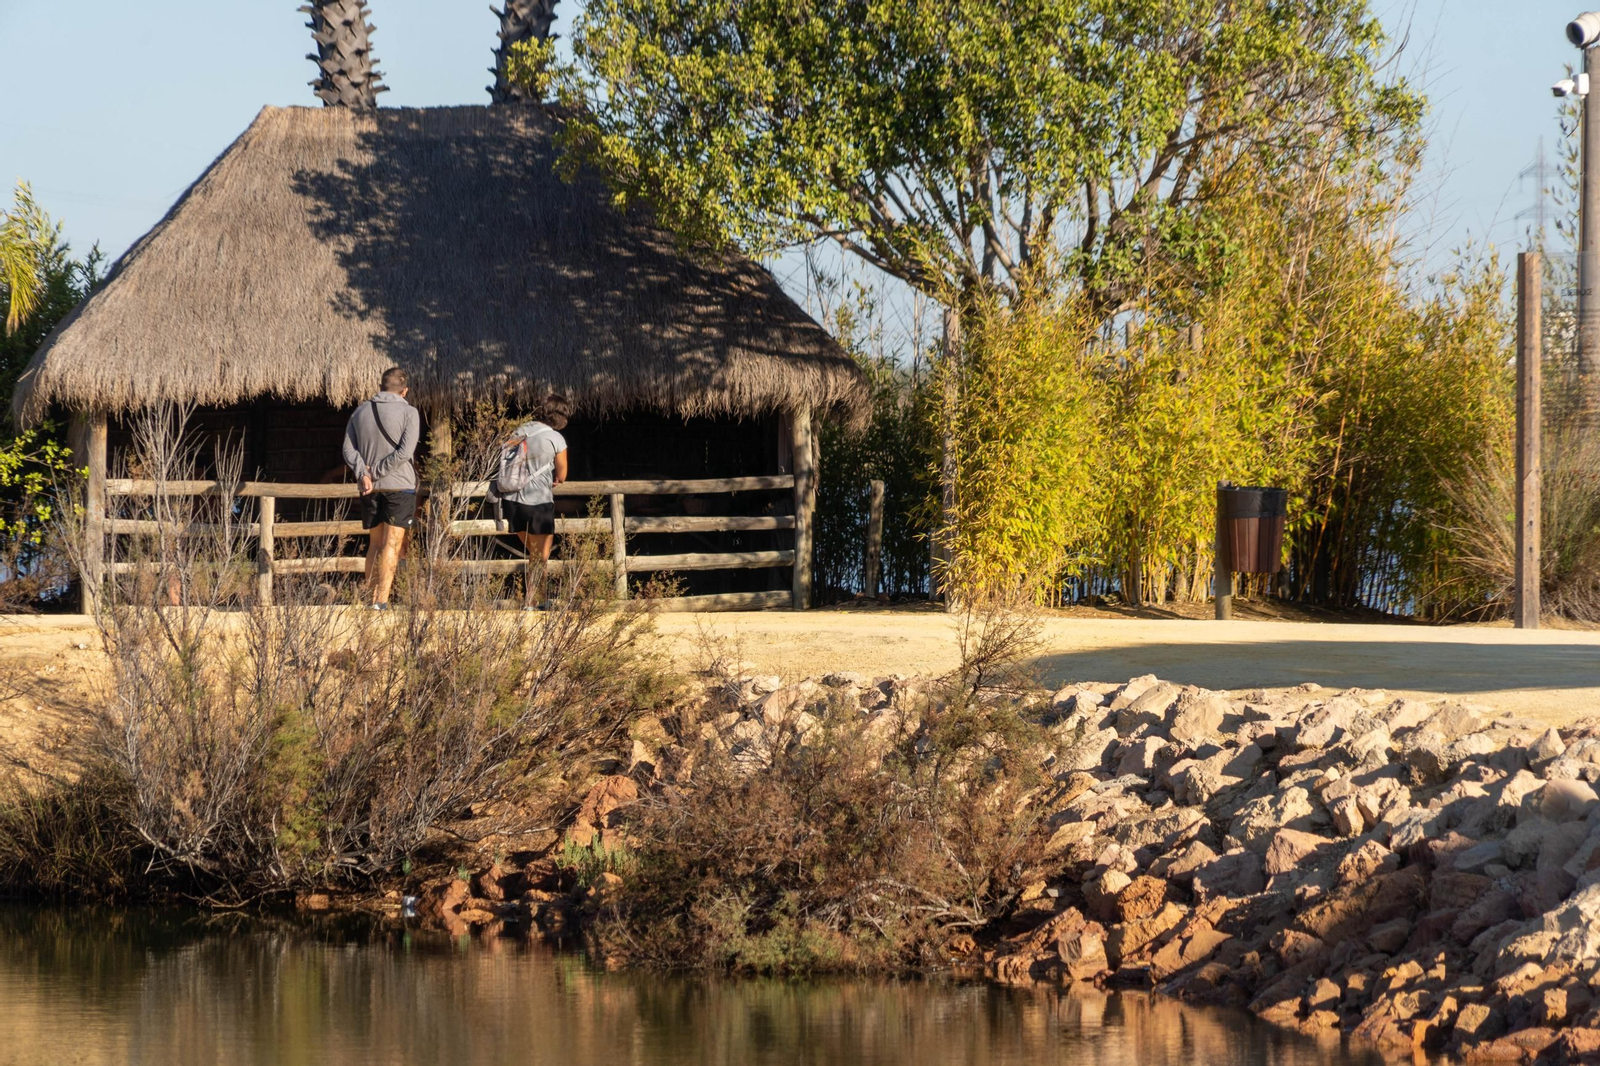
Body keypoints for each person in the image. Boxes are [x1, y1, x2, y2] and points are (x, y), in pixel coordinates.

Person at [342, 366, 420, 609]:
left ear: (381, 387)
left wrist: (363, 472)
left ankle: (370, 599)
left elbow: (347, 449)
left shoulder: (360, 412)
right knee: (392, 544)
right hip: (400, 486)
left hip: (369, 488)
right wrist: (375, 472)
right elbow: (405, 452)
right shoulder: (410, 412)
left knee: (374, 543)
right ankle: (381, 602)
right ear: (404, 390)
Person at [500, 393, 570, 608]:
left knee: (534, 552)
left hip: (512, 499)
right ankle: (532, 601)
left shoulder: (517, 431)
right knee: (541, 555)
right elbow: (563, 473)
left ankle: (541, 597)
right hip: (538, 502)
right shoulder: (555, 438)